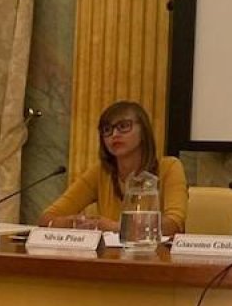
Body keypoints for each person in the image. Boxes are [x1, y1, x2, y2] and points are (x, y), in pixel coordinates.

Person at [38, 101, 187, 236]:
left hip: (156, 254)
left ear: (143, 131)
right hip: (109, 255)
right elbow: (47, 218)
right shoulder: (100, 172)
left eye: (123, 126)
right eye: (107, 130)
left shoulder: (169, 167)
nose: (114, 135)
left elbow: (174, 224)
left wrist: (116, 227)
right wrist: (76, 222)